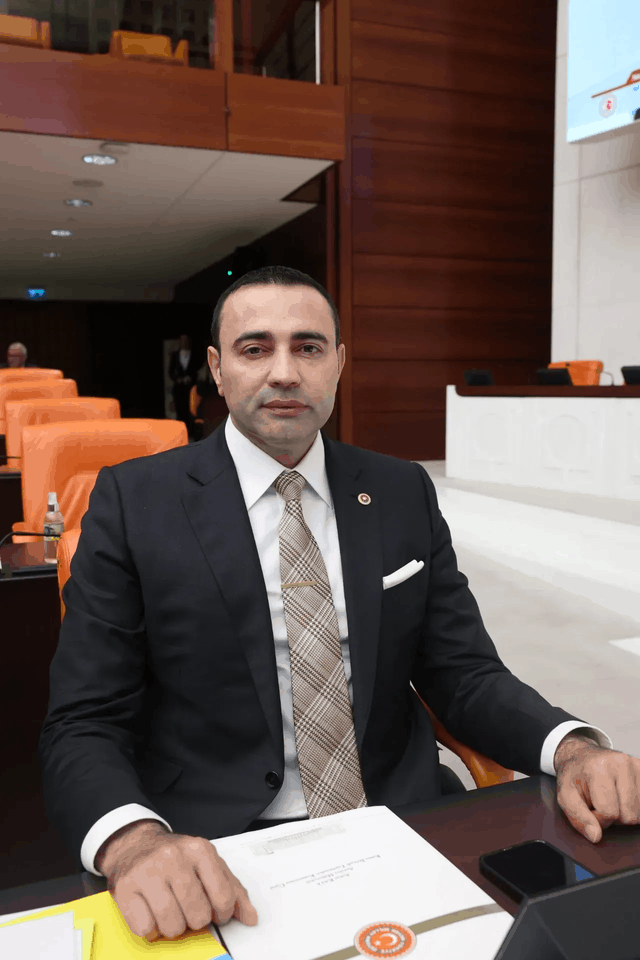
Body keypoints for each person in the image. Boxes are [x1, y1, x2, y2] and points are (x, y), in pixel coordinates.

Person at [40, 266, 640, 945]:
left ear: (339, 363)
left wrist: (574, 749)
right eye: (255, 348)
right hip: (212, 844)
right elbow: (83, 721)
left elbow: (464, 674)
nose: (285, 373)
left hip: (401, 819)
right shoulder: (134, 502)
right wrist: (134, 842)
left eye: (309, 347)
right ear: (217, 368)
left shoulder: (400, 490)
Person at [168, 334, 199, 434]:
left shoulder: (195, 355)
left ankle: (191, 433)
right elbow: (170, 371)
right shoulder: (175, 355)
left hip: (191, 389)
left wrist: (191, 378)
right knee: (180, 411)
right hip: (178, 389)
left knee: (191, 411)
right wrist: (178, 379)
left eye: (186, 340)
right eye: (183, 340)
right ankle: (180, 433)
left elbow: (198, 370)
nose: (185, 343)